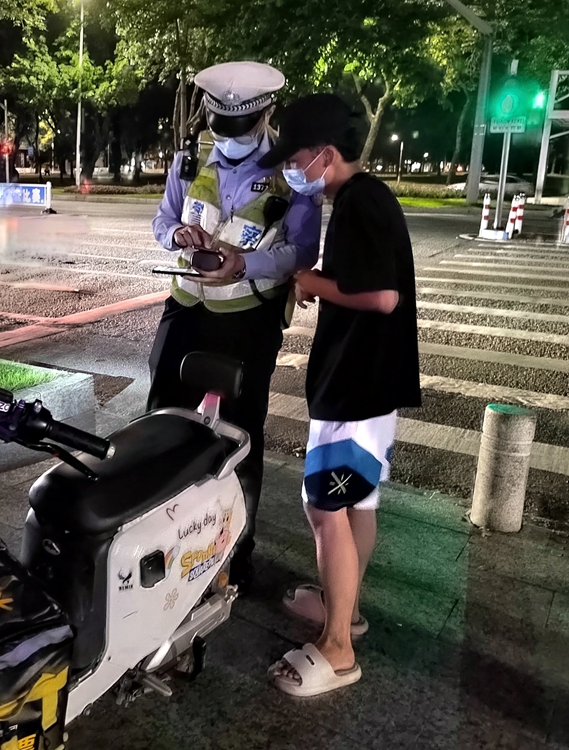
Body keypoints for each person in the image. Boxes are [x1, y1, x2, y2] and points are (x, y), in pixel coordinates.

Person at [257, 94, 421, 696]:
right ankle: (342, 610)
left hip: (356, 386)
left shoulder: (360, 202)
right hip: (369, 384)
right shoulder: (363, 198)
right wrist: (323, 283)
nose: (291, 170)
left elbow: (381, 296)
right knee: (357, 506)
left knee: (325, 508)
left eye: (295, 158)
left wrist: (311, 282)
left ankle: (338, 650)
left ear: (325, 155)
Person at [149, 61, 322, 588]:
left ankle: (234, 553)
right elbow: (162, 219)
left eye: (240, 127)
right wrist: (178, 235)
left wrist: (244, 264)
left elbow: (303, 251)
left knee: (241, 434)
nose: (228, 137)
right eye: (220, 126)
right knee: (161, 422)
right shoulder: (190, 157)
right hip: (186, 306)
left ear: (266, 115)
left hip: (249, 316)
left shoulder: (293, 171)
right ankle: (159, 539)